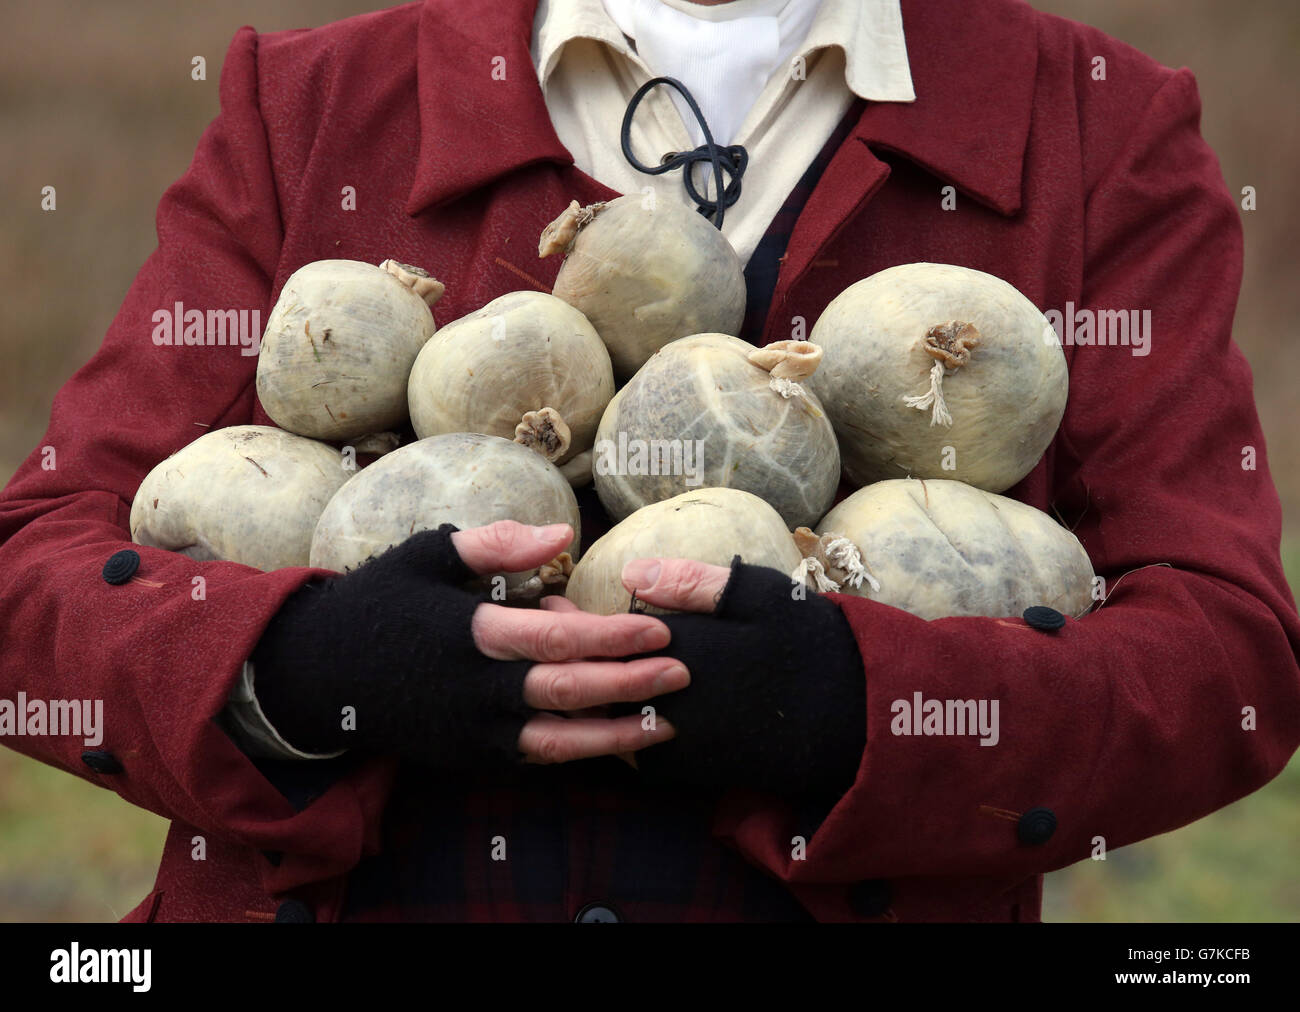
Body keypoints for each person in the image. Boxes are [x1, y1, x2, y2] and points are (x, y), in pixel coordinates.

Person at [1, 0, 1297, 924]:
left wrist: (861, 705)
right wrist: (307, 669)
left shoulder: (1097, 130)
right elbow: (37, 578)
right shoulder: (319, 104)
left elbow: (1223, 658)